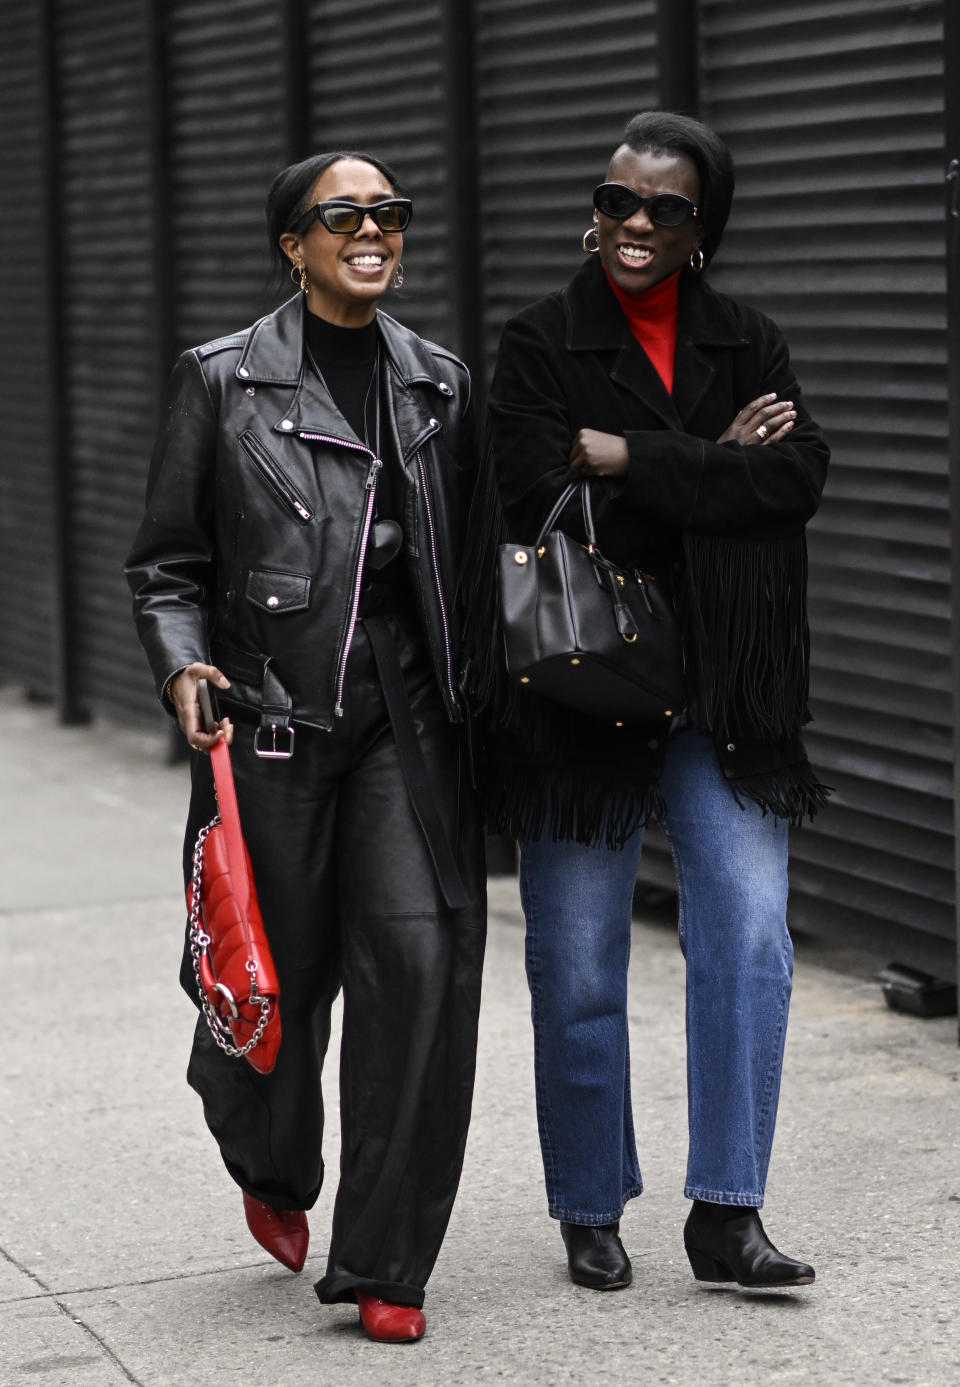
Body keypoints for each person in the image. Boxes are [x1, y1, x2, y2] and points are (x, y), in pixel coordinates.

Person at [125, 151, 486, 1342]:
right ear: (295, 243)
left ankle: (388, 1265)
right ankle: (270, 1163)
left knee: (415, 974)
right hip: (268, 721)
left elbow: (468, 565)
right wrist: (183, 662)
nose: (374, 231)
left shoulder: (439, 384)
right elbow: (168, 564)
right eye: (346, 217)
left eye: (390, 214)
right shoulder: (223, 381)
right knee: (267, 994)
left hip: (406, 722)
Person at [484, 111, 830, 1292]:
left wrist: (630, 457)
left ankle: (728, 1210)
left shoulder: (750, 339)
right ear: (595, 209)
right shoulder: (537, 343)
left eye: (665, 209)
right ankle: (590, 1201)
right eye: (618, 200)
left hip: (729, 690)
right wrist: (707, 460)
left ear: (702, 229)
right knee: (579, 957)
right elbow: (530, 489)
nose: (635, 224)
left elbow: (795, 479)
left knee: (747, 936)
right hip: (584, 687)